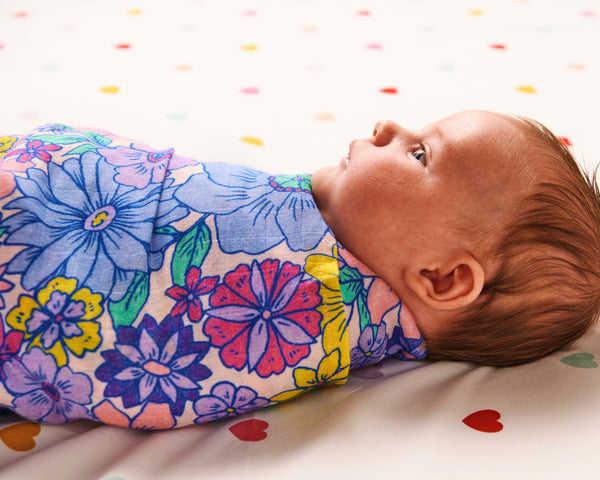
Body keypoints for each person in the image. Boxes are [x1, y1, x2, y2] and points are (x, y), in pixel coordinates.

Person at [0, 110, 597, 429]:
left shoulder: (302, 312)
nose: (388, 127)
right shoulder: (328, 231)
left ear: (441, 279)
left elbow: (137, 350)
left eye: (419, 154)